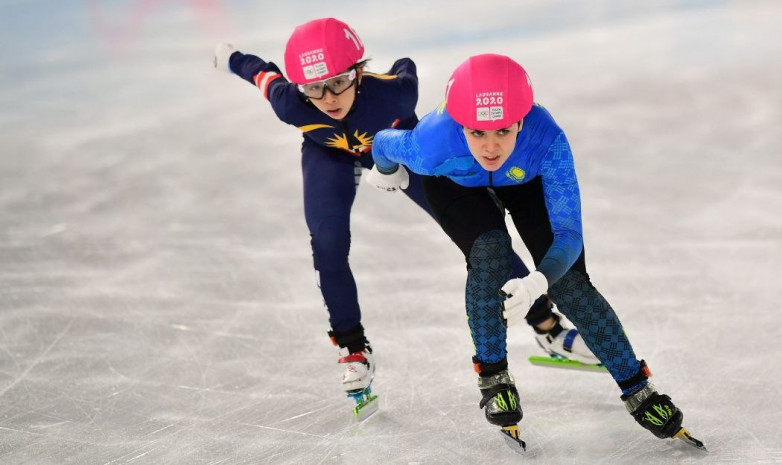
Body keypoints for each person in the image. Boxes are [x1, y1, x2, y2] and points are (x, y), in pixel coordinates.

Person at [212, 19, 597, 416]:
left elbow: (405, 68)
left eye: (339, 82)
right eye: (313, 87)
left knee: (480, 237)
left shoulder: (394, 96)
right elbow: (261, 73)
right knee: (327, 243)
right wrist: (231, 59)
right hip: (329, 155)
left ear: (359, 71)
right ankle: (352, 349)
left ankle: (546, 325)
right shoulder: (289, 102)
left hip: (398, 153)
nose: (328, 98)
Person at [366, 53, 702, 448]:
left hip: (527, 178)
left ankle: (638, 388)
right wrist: (386, 170)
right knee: (490, 252)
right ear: (459, 125)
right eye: (477, 132)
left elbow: (568, 235)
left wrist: (541, 279)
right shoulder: (431, 142)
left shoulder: (548, 139)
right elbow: (384, 143)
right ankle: (494, 377)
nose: (491, 146)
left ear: (522, 120)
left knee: (571, 285)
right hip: (455, 183)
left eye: (503, 130)